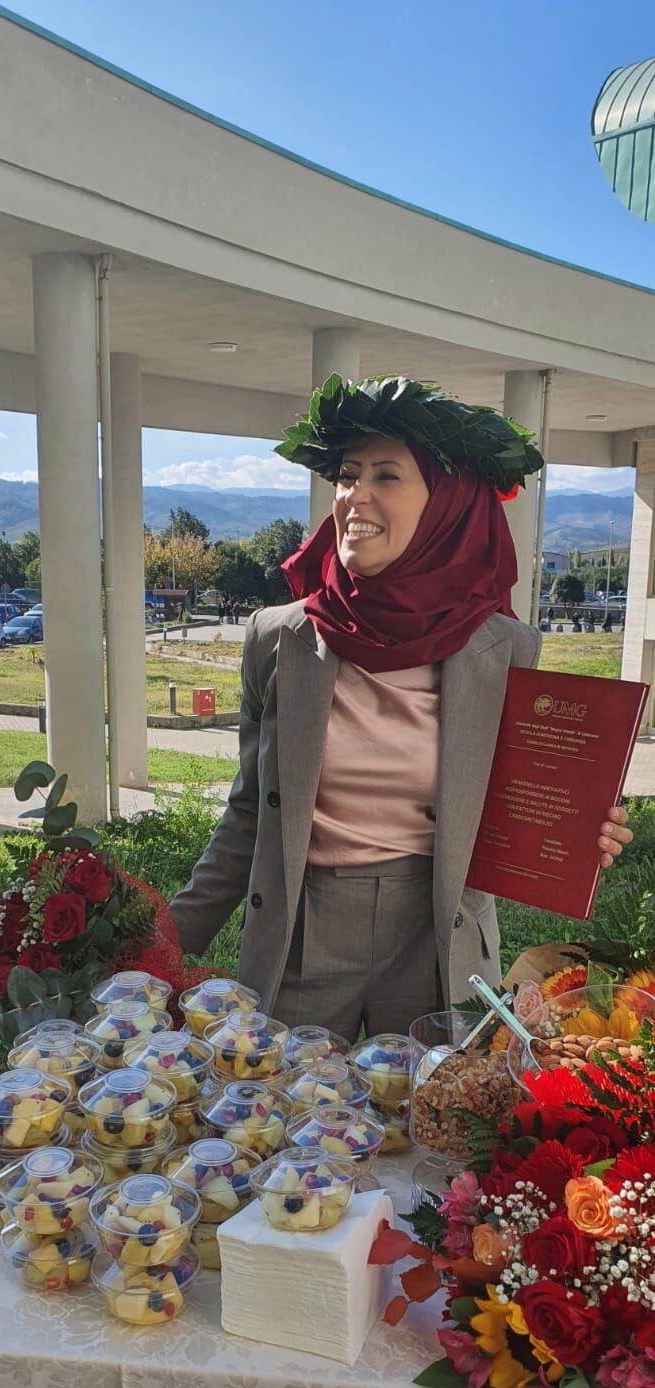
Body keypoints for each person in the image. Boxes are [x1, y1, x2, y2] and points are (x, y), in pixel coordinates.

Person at [170, 375, 631, 1039]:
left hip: (433, 934)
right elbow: (250, 807)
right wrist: (167, 941)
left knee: (433, 1128)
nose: (355, 496)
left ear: (449, 506)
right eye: (347, 475)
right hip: (300, 926)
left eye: (386, 477)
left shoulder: (505, 650)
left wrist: (579, 830)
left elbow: (519, 803)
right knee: (286, 1121)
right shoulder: (279, 638)